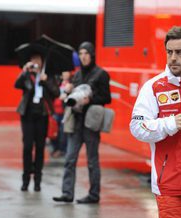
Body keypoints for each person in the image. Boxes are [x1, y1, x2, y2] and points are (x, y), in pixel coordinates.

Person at [130, 26, 181, 218]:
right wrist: (168, 124)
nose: (173, 58)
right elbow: (136, 127)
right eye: (169, 52)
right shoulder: (154, 86)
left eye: (179, 52)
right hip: (169, 183)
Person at [53, 41, 111, 204]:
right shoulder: (77, 75)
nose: (83, 56)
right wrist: (69, 91)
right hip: (76, 121)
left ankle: (94, 195)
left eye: (86, 53)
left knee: (92, 161)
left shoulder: (101, 74)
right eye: (80, 53)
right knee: (69, 159)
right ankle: (67, 193)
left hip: (91, 123)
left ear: (92, 55)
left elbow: (107, 98)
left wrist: (90, 99)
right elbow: (72, 98)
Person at [15, 52, 59, 192]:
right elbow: (17, 85)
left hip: (42, 115)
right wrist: (24, 71)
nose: (35, 62)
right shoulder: (27, 74)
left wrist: (45, 80)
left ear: (42, 61)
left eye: (37, 59)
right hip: (27, 114)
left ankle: (38, 180)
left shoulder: (48, 75)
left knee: (40, 147)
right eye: (32, 59)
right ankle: (26, 178)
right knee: (27, 146)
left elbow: (56, 93)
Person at [48, 71, 72, 157]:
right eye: (64, 73)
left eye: (67, 73)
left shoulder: (71, 84)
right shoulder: (56, 83)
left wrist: (68, 94)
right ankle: (55, 148)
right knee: (53, 132)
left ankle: (62, 150)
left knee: (63, 133)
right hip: (54, 111)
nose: (65, 74)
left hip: (64, 112)